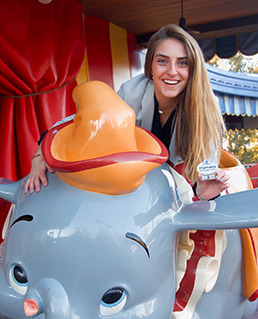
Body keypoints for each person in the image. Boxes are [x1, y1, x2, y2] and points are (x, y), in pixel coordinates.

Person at [25, 24, 230, 199]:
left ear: (193, 69)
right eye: (162, 61)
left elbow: (203, 178)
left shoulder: (205, 111)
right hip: (130, 183)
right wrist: (41, 154)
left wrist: (205, 192)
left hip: (174, 187)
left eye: (182, 63)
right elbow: (84, 120)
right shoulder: (132, 92)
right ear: (150, 65)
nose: (172, 71)